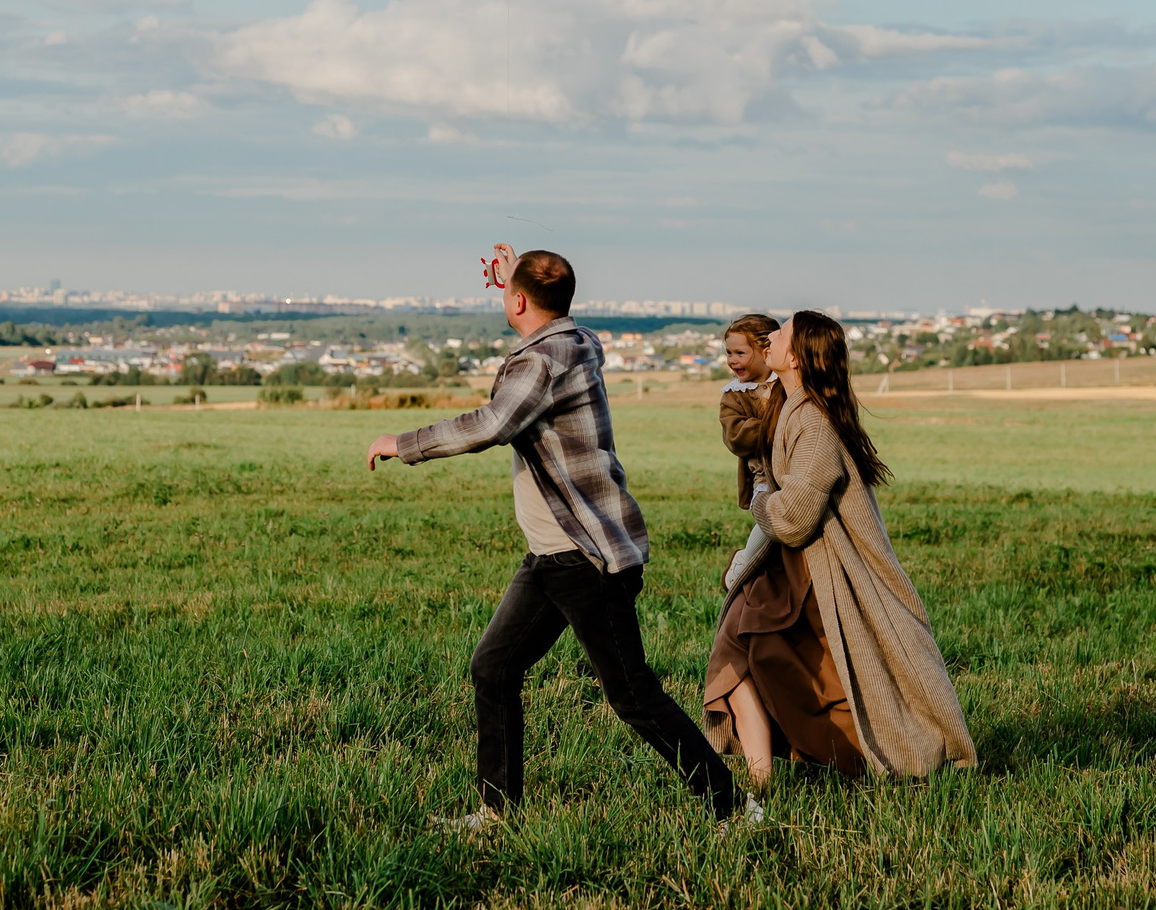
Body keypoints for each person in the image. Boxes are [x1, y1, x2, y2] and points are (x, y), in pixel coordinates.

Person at [368, 245, 753, 830]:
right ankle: (496, 814)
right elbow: (547, 313)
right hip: (553, 555)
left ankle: (732, 807)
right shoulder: (574, 342)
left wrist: (405, 443)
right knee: (493, 669)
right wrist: (522, 277)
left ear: (518, 301)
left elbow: (492, 423)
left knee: (631, 694)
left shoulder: (542, 364)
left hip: (586, 558)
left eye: (509, 295)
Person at [703, 310, 979, 787]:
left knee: (831, 672)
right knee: (740, 647)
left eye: (781, 333)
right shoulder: (789, 404)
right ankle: (760, 778)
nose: (771, 338)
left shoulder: (814, 422)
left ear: (797, 355)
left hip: (817, 569)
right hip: (789, 568)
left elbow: (794, 517)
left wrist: (763, 498)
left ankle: (894, 756)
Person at [717, 312, 783, 508]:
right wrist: (778, 426)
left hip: (795, 473)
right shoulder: (734, 394)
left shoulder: (785, 383)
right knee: (768, 527)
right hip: (762, 478)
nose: (732, 360)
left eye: (740, 353)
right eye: (729, 353)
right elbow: (735, 437)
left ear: (766, 352)